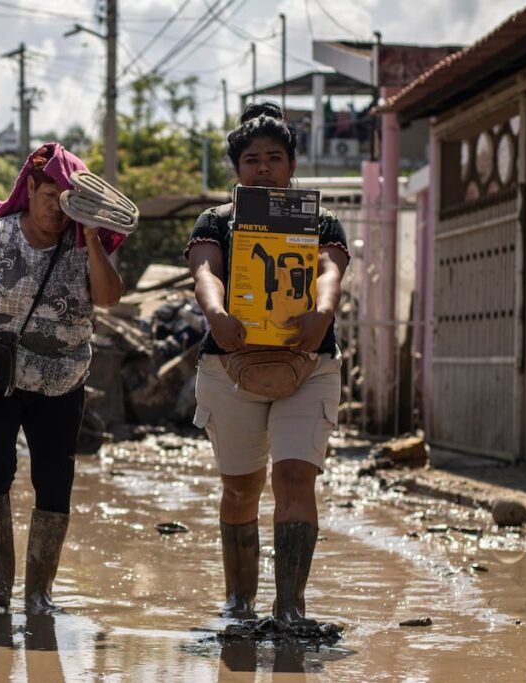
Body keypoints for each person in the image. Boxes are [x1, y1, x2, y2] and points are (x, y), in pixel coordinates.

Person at [184, 102, 350, 626]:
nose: (262, 168)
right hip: (230, 364)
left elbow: (330, 270)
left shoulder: (321, 221)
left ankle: (290, 609)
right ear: (237, 168)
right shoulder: (216, 221)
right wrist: (216, 312)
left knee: (296, 477)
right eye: (252, 159)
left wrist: (323, 310)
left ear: (292, 165)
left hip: (309, 362)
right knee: (240, 488)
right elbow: (205, 272)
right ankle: (239, 603)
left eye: (273, 158)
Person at [0, 143, 126, 614]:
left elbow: (109, 297)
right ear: (30, 189)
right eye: (49, 193)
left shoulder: (81, 240)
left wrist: (92, 238)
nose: (56, 206)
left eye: (67, 197)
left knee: (55, 478)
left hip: (62, 381)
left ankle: (38, 592)